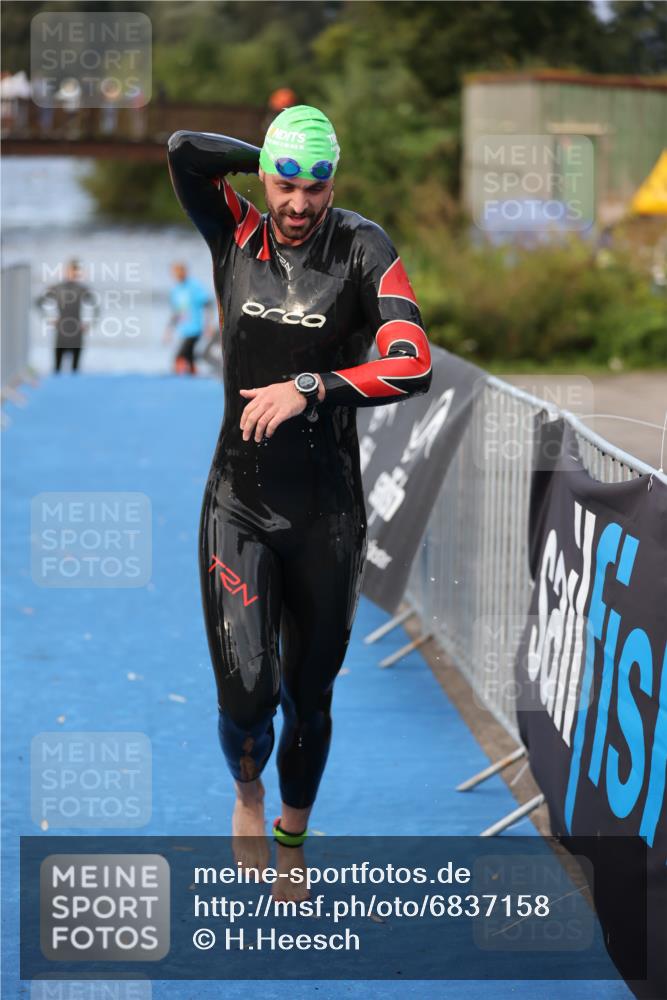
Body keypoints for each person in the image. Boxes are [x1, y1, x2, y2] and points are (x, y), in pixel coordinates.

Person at [167, 105, 432, 897]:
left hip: (327, 515)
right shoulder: (234, 232)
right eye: (285, 181)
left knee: (306, 696)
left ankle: (292, 833)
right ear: (264, 178)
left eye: (315, 185)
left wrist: (311, 387)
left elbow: (412, 361)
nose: (297, 204)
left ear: (332, 186)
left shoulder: (360, 246)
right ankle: (246, 795)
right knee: (245, 697)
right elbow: (183, 150)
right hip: (238, 505)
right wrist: (272, 149)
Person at [36, 259, 97, 373]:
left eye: (76, 271)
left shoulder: (82, 289)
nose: (74, 274)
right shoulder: (57, 288)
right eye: (71, 270)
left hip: (76, 331)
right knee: (57, 369)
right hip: (61, 331)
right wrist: (48, 319)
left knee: (75, 370)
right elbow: (38, 302)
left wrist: (90, 323)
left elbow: (96, 306)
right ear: (66, 270)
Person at [163, 263, 215, 375]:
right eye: (175, 273)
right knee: (189, 356)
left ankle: (177, 378)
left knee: (180, 356)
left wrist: (209, 324)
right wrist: (169, 330)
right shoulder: (176, 290)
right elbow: (176, 313)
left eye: (180, 272)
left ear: (185, 272)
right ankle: (194, 375)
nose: (178, 275)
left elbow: (208, 304)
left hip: (195, 328)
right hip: (184, 329)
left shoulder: (194, 286)